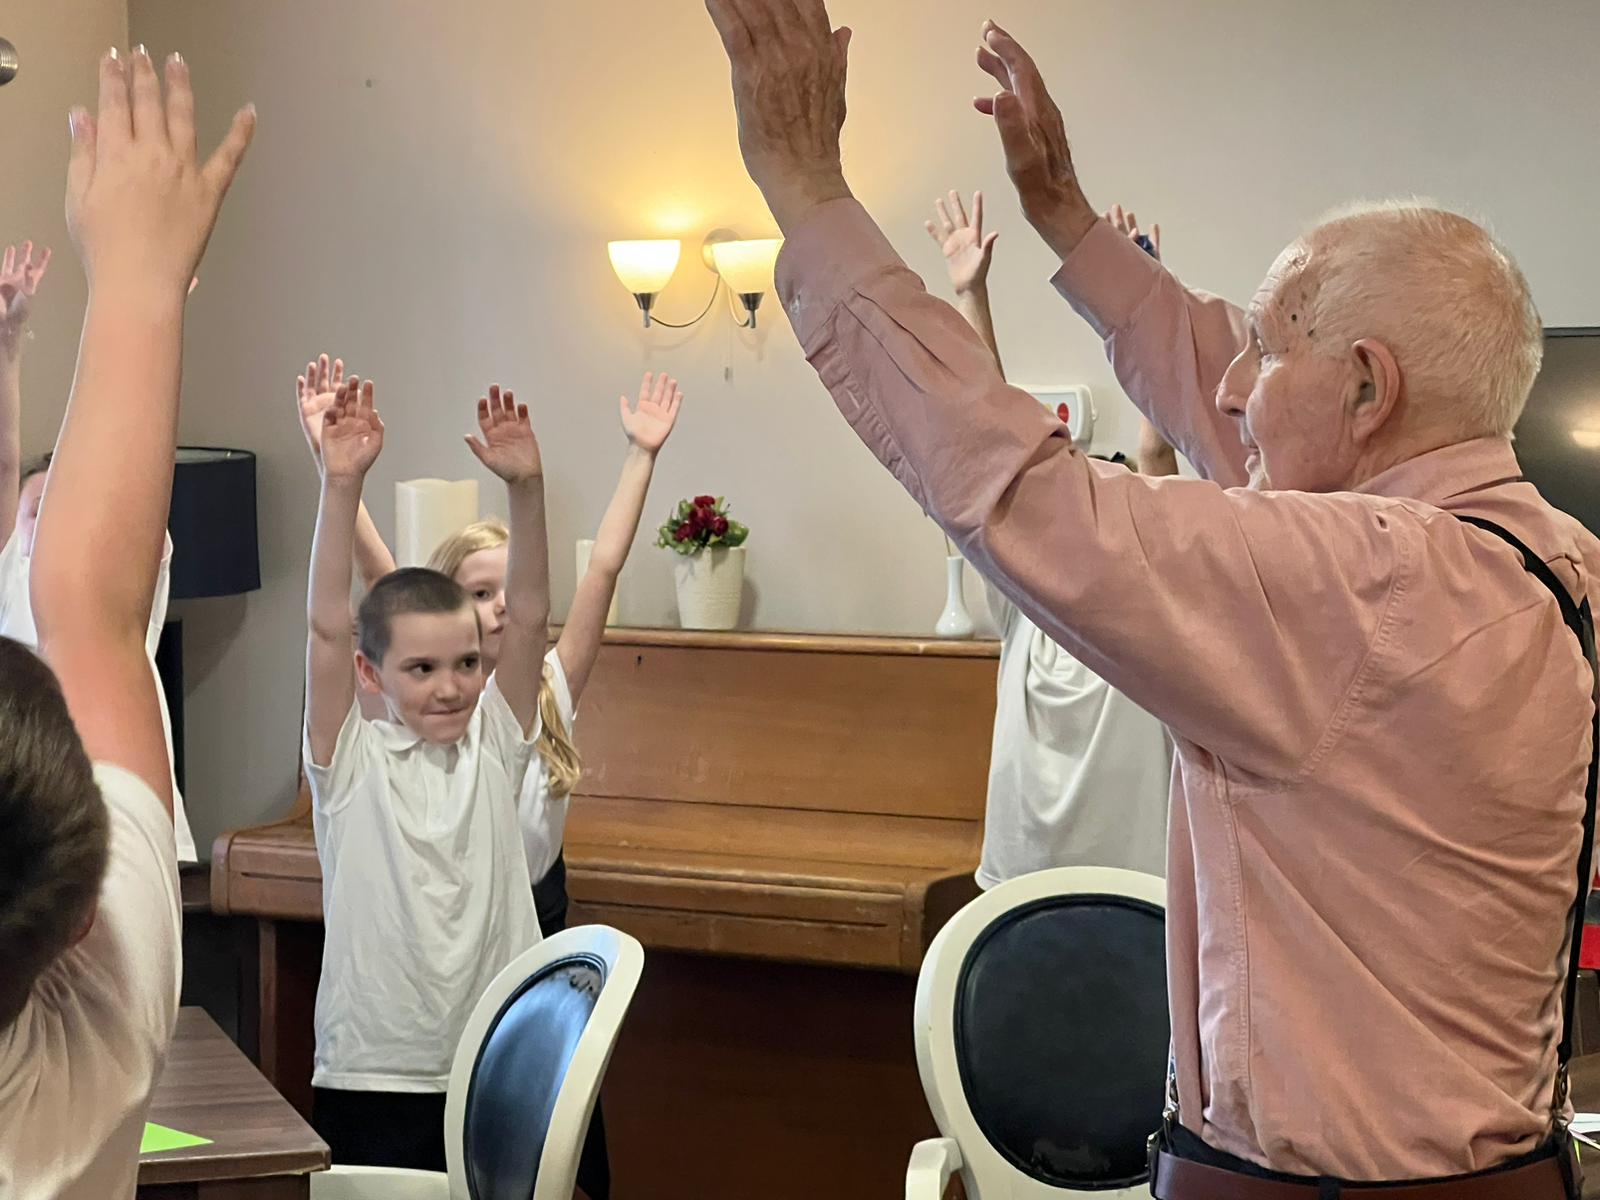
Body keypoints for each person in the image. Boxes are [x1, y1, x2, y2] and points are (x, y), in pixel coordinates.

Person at [703, 2, 1598, 1194]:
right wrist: (1065, 219)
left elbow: (1021, 492)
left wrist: (808, 190)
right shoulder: (1544, 562)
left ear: (1368, 388)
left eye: (1269, 349)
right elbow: (1230, 394)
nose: (1230, 387)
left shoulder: (1363, 586)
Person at [0, 45, 253, 1197]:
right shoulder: (94, 1039)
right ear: (72, 923)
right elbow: (93, 621)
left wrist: (136, 287)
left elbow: (82, 614)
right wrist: (141, 284)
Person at [303, 377, 551, 1171]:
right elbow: (325, 626)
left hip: (498, 1057)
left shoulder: (496, 743)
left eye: (466, 663)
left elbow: (534, 613)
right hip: (373, 1067)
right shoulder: (349, 762)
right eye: (421, 668)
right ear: (373, 676)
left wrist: (528, 489)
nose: (450, 686)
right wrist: (342, 482)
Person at [925, 190, 1171, 882]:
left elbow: (1156, 458)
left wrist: (1141, 302)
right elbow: (989, 444)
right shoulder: (1027, 600)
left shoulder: (1153, 612)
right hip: (1018, 885)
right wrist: (972, 293)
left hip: (1131, 894)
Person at [1, 242, 198, 861]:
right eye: (40, 508)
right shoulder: (11, 572)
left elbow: (132, 460)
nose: (56, 521)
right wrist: (8, 345)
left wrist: (153, 320)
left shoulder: (119, 580)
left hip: (122, 798)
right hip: (35, 814)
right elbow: (6, 458)